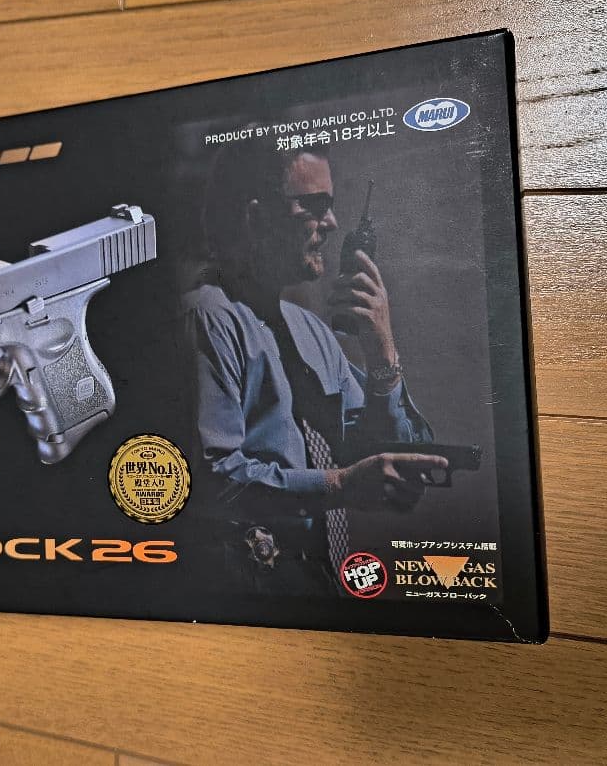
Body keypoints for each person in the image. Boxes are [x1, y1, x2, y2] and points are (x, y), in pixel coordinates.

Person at [184, 135, 445, 597]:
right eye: (314, 206)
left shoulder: (310, 331)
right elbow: (208, 480)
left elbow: (374, 450)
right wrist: (339, 486)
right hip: (250, 594)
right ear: (256, 217)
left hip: (323, 587)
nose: (332, 223)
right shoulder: (208, 319)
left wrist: (381, 351)